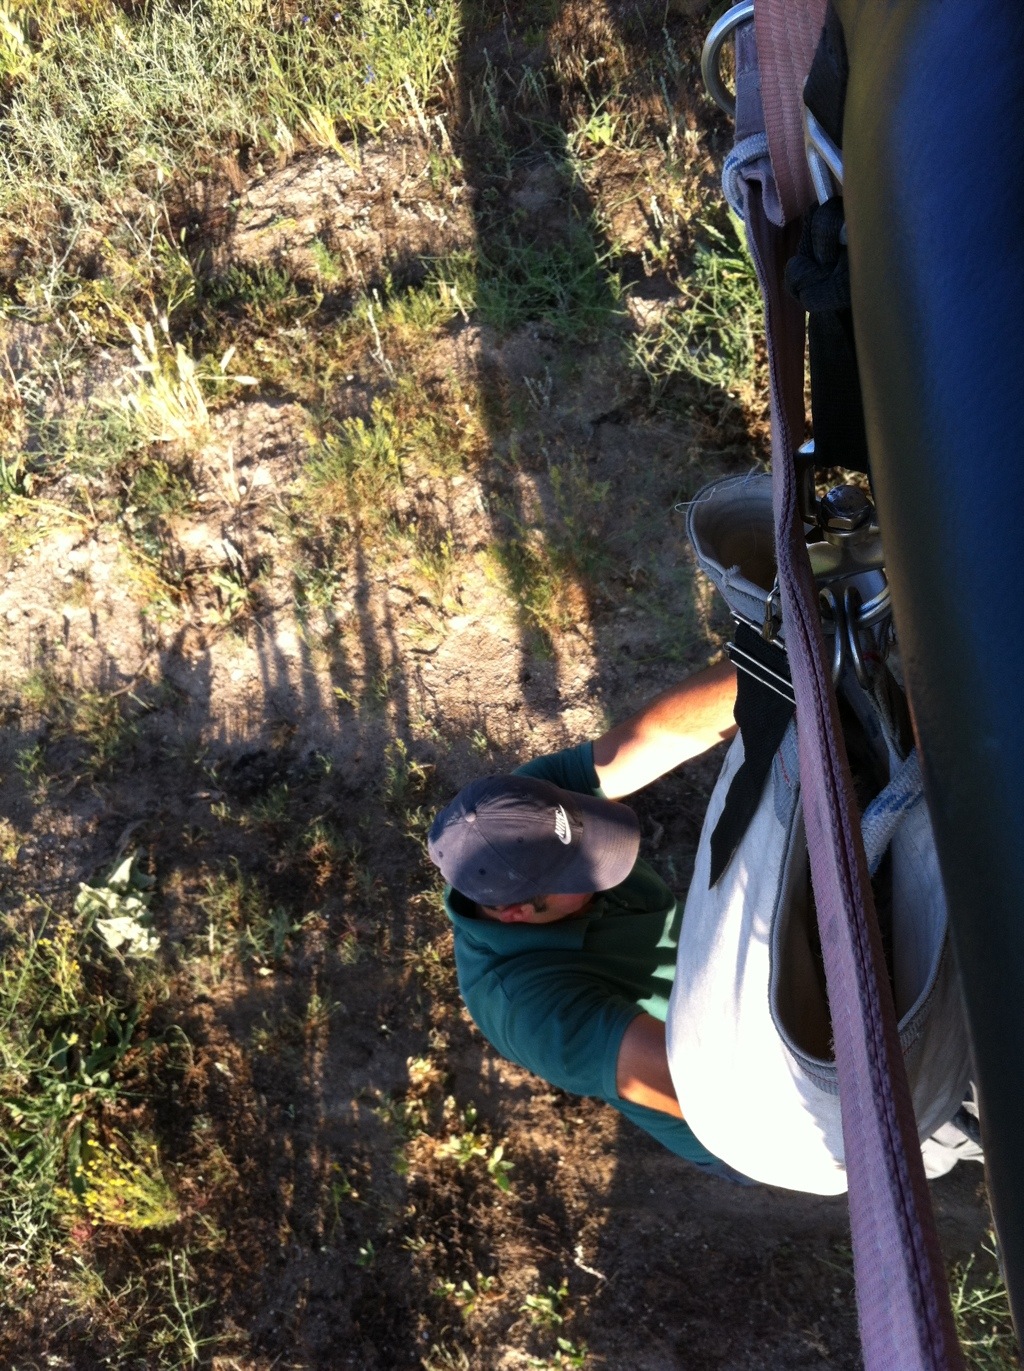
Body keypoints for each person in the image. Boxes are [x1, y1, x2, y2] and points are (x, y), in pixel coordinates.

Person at [427, 660, 741, 1173]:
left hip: (730, 966)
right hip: (736, 1104)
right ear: (517, 912)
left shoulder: (518, 813)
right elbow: (711, 1091)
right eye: (579, 875)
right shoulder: (533, 1011)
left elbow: (662, 735)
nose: (601, 861)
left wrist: (790, 666)